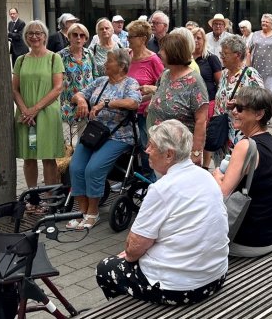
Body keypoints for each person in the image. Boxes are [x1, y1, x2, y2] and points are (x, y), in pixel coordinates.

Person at [95, 120, 228, 306]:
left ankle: (129, 309)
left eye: (152, 146)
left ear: (169, 155)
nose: (147, 150)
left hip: (181, 289)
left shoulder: (161, 189)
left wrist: (131, 252)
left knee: (105, 269)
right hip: (215, 276)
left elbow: (133, 251)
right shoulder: (205, 176)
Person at [69, 49, 141, 229]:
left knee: (93, 169)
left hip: (119, 136)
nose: (104, 64)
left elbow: (133, 103)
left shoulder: (130, 83)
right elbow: (77, 94)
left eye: (109, 61)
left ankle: (93, 213)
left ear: (121, 66)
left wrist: (106, 103)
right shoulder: (100, 81)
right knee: (76, 167)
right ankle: (82, 212)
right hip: (95, 133)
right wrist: (82, 101)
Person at [212, 86, 272, 257]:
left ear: (259, 114)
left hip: (249, 241)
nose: (234, 112)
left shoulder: (245, 146)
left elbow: (222, 193)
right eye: (233, 107)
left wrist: (216, 175)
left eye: (240, 108)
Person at [12, 20, 65, 194]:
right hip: (25, 115)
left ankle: (50, 197)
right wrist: (25, 110)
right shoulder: (20, 60)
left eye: (38, 33)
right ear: (25, 37)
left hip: (46, 113)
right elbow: (14, 88)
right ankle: (33, 196)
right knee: (29, 157)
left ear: (44, 36)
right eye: (30, 33)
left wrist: (34, 109)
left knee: (48, 158)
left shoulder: (53, 58)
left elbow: (58, 88)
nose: (34, 36)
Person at [144, 31, 209, 166]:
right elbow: (160, 94)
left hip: (178, 154)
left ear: (174, 53)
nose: (159, 53)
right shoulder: (165, 74)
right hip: (159, 149)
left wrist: (196, 153)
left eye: (163, 50)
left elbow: (201, 120)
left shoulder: (194, 81)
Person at [212, 35, 265, 161]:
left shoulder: (249, 74)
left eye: (225, 53)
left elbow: (262, 100)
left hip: (239, 133)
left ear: (237, 54)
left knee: (236, 170)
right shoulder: (224, 73)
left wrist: (239, 104)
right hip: (222, 131)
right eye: (221, 53)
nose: (222, 56)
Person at [128, 20, 165, 174]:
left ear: (143, 39)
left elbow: (164, 87)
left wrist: (150, 101)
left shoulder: (153, 60)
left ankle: (149, 181)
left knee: (146, 148)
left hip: (145, 114)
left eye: (131, 36)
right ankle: (132, 177)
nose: (127, 39)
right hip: (127, 113)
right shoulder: (127, 56)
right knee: (130, 149)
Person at [190, 26, 223, 167]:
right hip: (190, 104)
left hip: (208, 103)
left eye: (199, 38)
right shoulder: (186, 59)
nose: (196, 40)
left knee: (205, 136)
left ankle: (204, 167)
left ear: (204, 40)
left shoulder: (211, 59)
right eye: (193, 37)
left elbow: (220, 83)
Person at [58, 23, 95, 145]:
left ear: (86, 39)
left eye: (82, 35)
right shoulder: (60, 56)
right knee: (67, 145)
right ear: (68, 37)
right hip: (67, 105)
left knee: (84, 142)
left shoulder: (89, 54)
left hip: (86, 105)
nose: (78, 38)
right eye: (75, 35)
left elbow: (95, 77)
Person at [246, 14, 272, 100]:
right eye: (263, 21)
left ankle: (268, 112)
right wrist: (248, 68)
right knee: (256, 95)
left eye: (267, 22)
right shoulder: (255, 34)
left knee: (269, 95)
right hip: (256, 71)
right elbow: (248, 51)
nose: (264, 23)